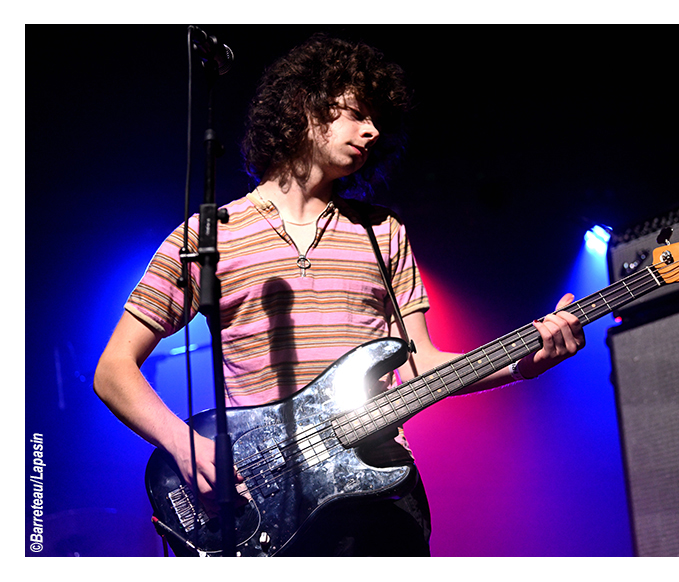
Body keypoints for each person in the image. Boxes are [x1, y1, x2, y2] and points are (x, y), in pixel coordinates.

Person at [93, 33, 585, 556]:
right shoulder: (210, 235)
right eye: (355, 113)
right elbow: (113, 369)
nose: (371, 131)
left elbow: (420, 367)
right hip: (264, 505)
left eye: (377, 121)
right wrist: (182, 442)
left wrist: (521, 364)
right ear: (305, 107)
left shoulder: (382, 232)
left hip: (382, 495)